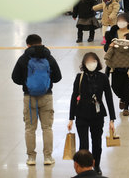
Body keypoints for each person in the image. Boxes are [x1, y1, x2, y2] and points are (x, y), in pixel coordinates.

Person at [11, 34, 62, 166]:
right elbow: (58, 77)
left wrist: (27, 82)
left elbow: (15, 78)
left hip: (29, 98)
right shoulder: (49, 57)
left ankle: (31, 158)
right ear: (41, 43)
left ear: (28, 45)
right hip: (46, 96)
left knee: (30, 128)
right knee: (47, 128)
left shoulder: (24, 58)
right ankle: (48, 157)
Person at [68, 53, 116, 176]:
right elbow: (74, 97)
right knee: (83, 143)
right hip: (81, 114)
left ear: (97, 62)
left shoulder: (103, 77)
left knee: (97, 143)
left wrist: (112, 119)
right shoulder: (79, 77)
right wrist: (71, 118)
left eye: (93, 61)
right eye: (88, 61)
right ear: (84, 63)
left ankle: (96, 164)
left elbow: (109, 97)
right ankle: (83, 167)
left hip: (97, 114)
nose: (91, 63)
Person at [104, 13, 129, 116]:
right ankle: (122, 98)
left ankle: (126, 107)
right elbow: (106, 47)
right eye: (119, 21)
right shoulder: (112, 32)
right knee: (115, 86)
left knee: (128, 87)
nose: (120, 23)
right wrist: (109, 45)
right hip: (116, 65)